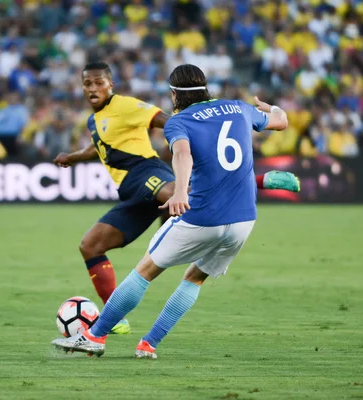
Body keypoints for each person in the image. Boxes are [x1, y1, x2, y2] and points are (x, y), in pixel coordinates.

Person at [52, 64, 289, 358]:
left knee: (145, 271)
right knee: (194, 279)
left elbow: (182, 153)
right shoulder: (239, 107)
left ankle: (95, 336)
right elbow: (281, 121)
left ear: (175, 94)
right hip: (243, 220)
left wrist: (179, 192)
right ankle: (148, 344)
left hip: (203, 216)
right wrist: (273, 108)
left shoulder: (179, 121)